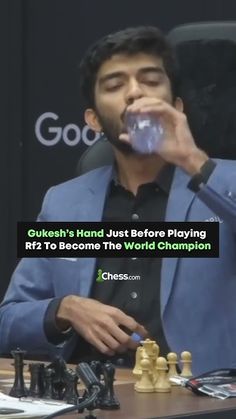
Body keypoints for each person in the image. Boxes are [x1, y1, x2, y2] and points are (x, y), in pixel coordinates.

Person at [0, 26, 236, 375]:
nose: (135, 92)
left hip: (199, 402)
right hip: (92, 398)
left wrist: (192, 161)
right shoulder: (64, 204)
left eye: (151, 80)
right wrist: (64, 309)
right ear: (93, 120)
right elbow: (8, 320)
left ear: (177, 107)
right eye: (114, 85)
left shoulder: (221, 184)